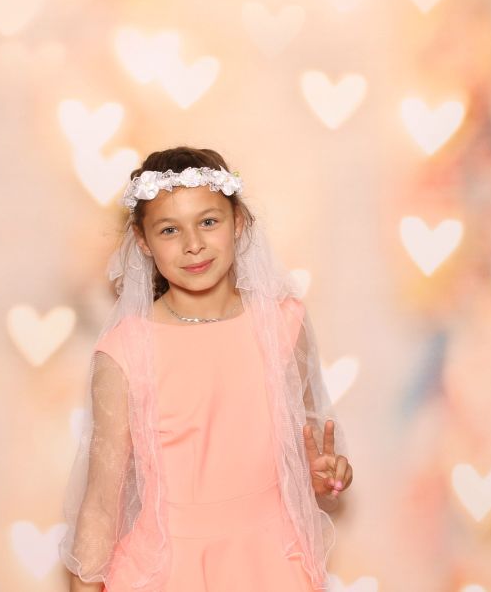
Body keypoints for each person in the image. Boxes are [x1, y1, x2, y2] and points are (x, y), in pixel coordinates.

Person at [59, 146, 353, 591]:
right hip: (168, 569)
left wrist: (316, 472)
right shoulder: (126, 350)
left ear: (238, 222)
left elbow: (301, 440)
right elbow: (101, 501)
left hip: (271, 562)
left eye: (208, 222)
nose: (193, 244)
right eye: (170, 229)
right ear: (143, 241)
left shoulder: (282, 324)